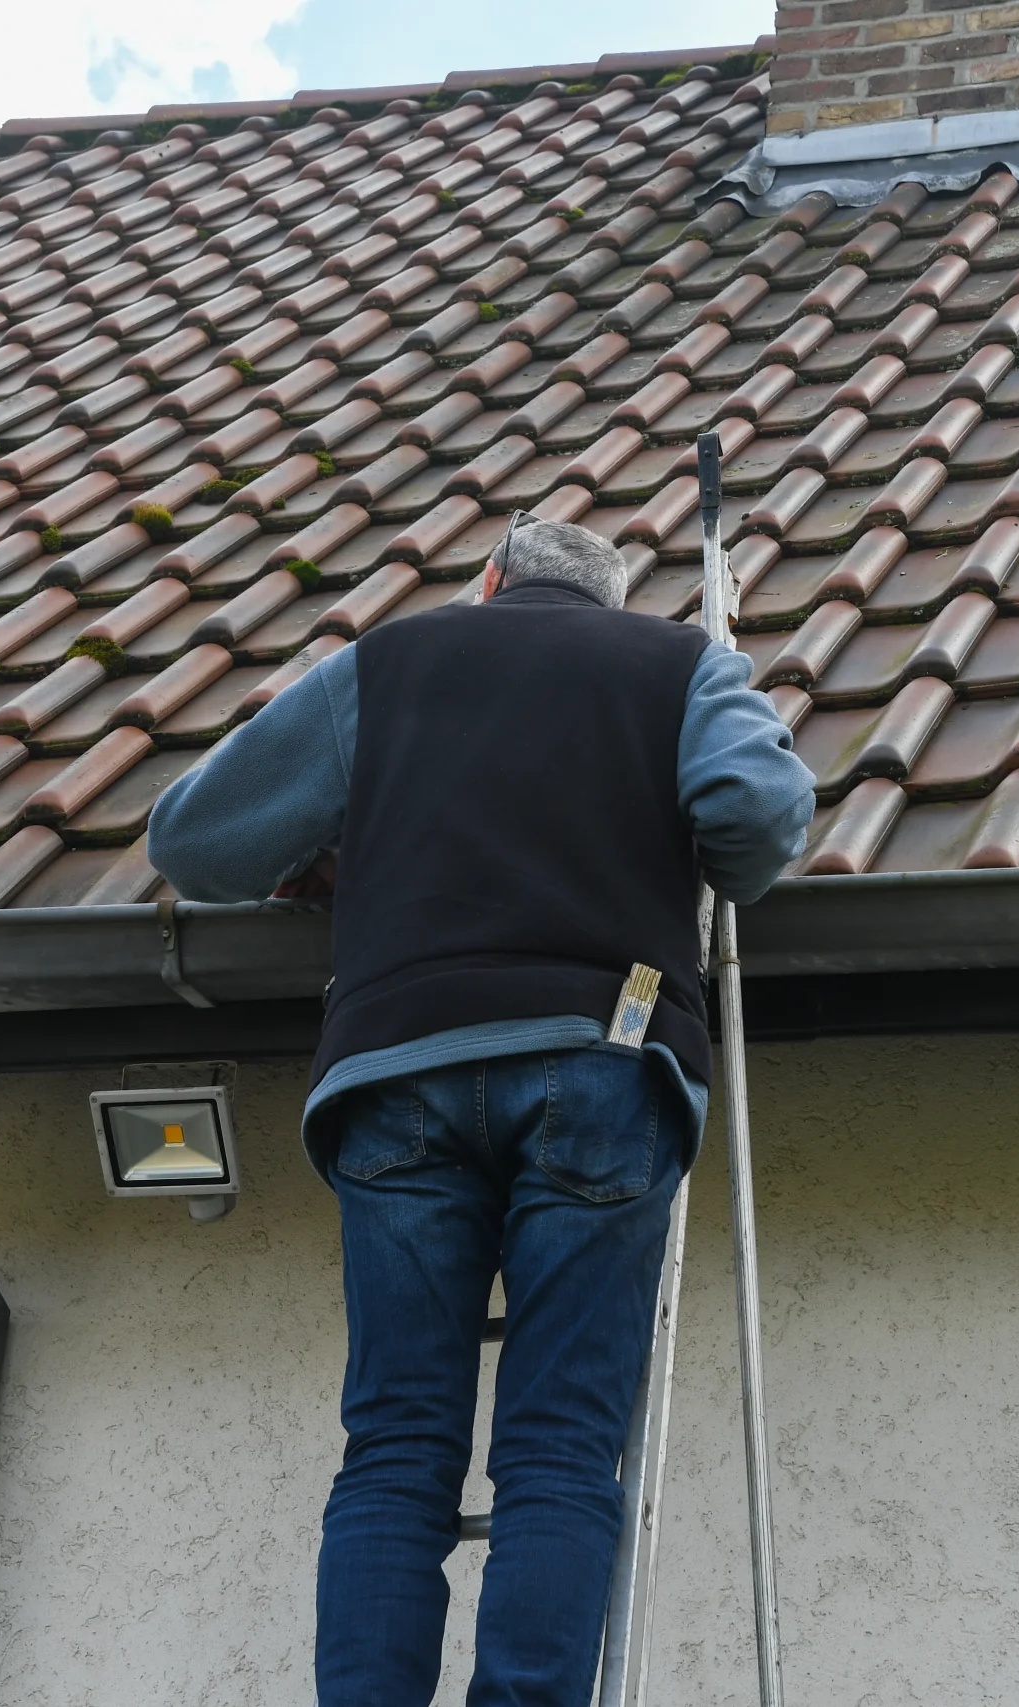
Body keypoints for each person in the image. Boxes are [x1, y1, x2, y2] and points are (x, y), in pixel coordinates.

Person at [147, 513, 815, 1707]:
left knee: (398, 1453)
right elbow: (757, 820)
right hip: (604, 1055)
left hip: (398, 1068)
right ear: (606, 608)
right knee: (558, 1453)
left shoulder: (390, 662)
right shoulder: (680, 666)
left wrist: (338, 853)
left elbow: (193, 841)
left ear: (489, 582)